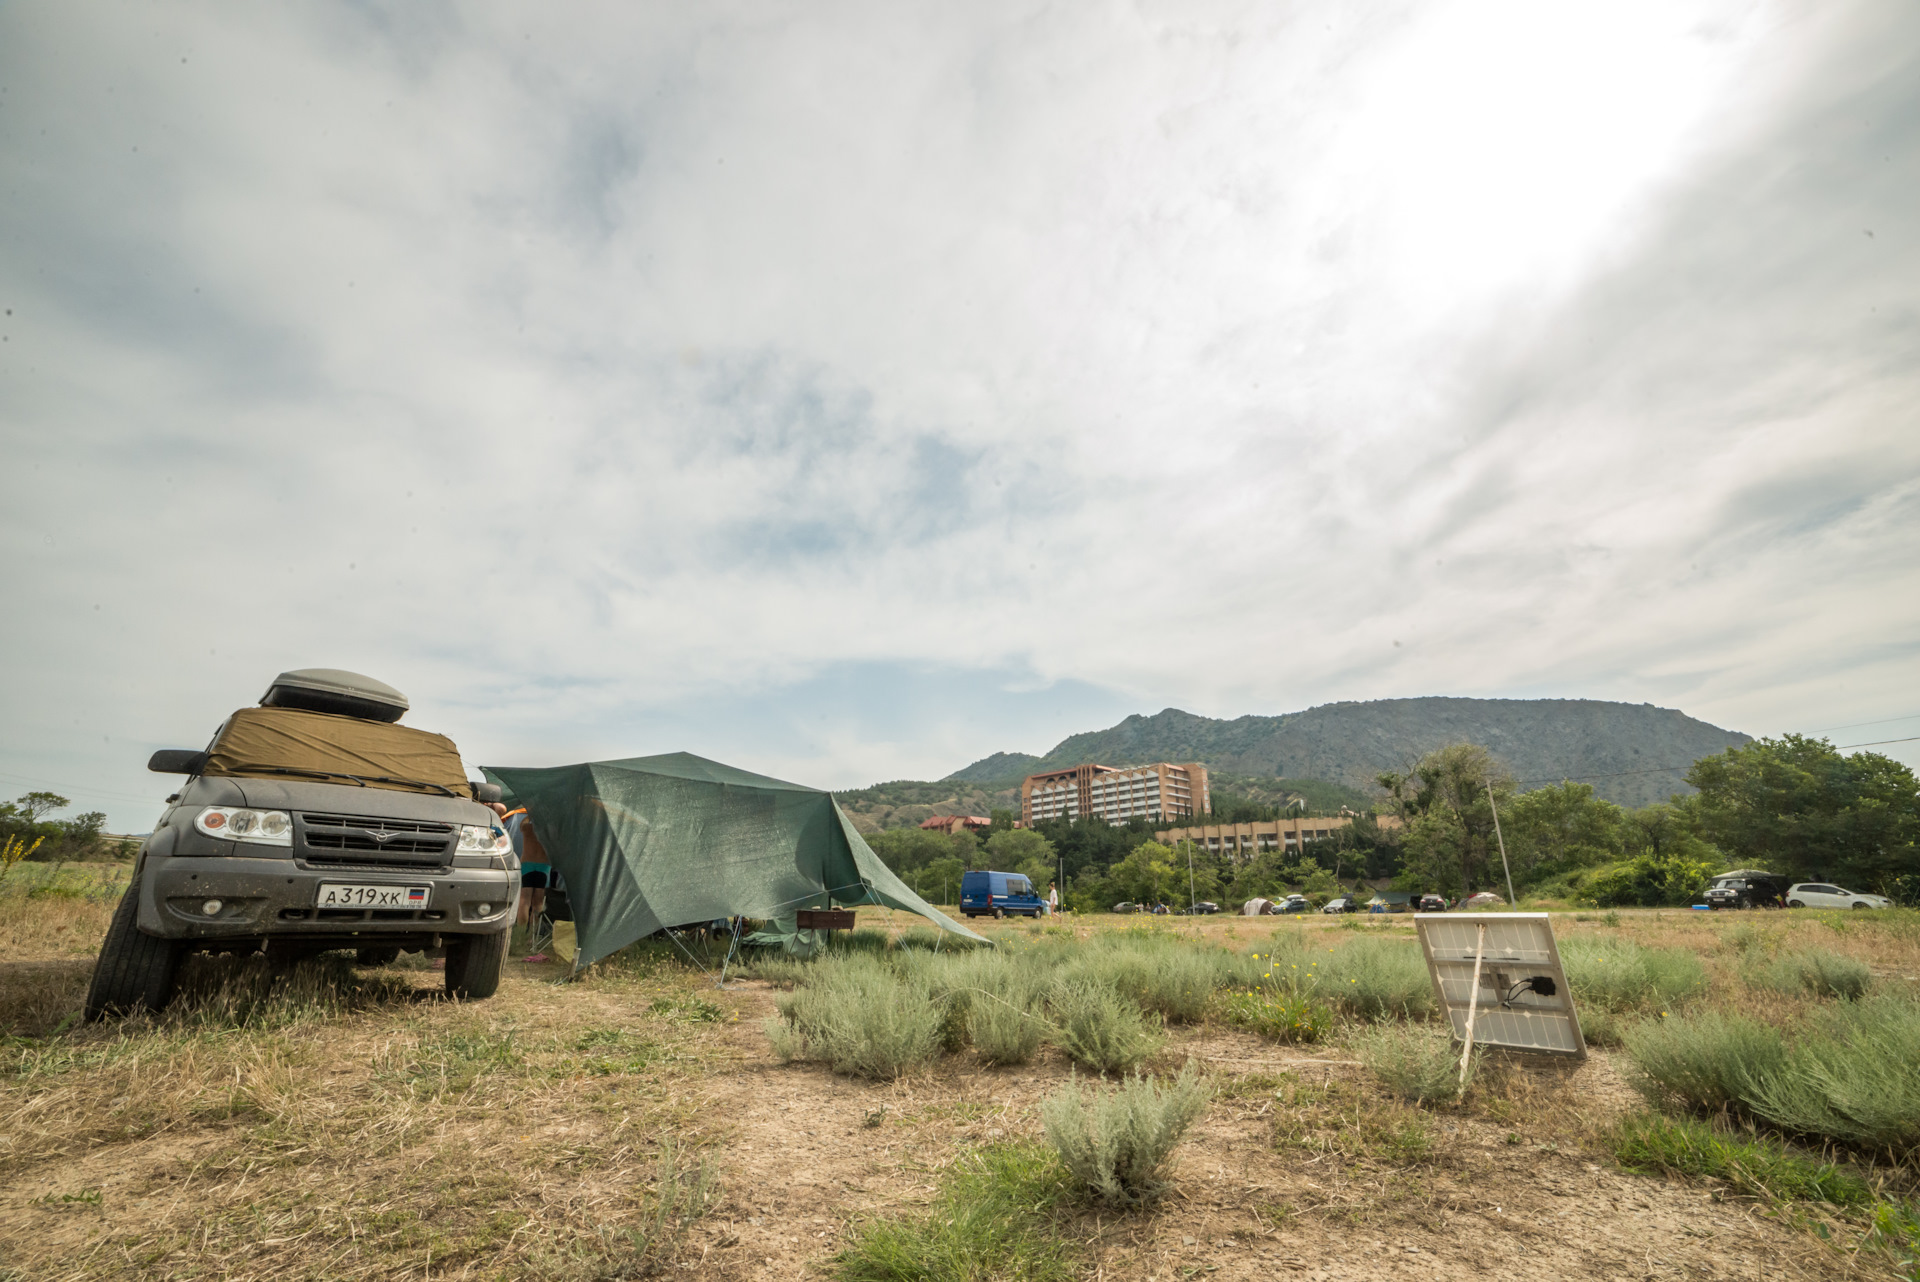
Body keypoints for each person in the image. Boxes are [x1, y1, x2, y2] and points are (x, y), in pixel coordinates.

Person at [503, 805, 551, 962]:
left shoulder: (526, 827)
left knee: (524, 901)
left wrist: (530, 810)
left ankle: (520, 934)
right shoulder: (549, 830)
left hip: (527, 864)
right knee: (537, 903)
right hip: (543, 866)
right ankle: (532, 937)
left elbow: (522, 823)